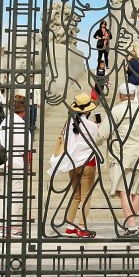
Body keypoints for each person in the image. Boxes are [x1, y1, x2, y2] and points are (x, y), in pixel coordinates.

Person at [98, 84, 139, 235]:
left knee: (124, 191)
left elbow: (102, 134)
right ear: (134, 94)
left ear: (119, 95)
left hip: (122, 156)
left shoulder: (116, 110)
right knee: (135, 192)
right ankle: (131, 224)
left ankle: (131, 226)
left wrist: (95, 140)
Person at [50, 93, 101, 238]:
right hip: (87, 162)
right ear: (87, 110)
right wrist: (98, 126)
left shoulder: (68, 123)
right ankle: (82, 226)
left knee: (76, 195)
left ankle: (70, 226)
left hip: (72, 163)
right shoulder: (91, 125)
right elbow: (97, 140)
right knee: (86, 195)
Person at [0, 94, 27, 238]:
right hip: (15, 161)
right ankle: (10, 225)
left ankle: (2, 223)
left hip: (4, 161)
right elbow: (24, 147)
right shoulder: (20, 124)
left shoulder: (5, 122)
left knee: (5, 194)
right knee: (15, 194)